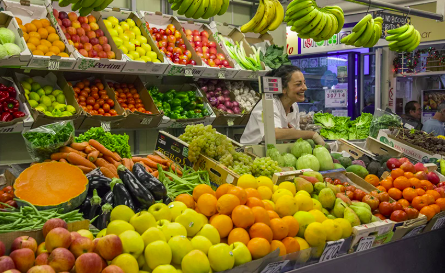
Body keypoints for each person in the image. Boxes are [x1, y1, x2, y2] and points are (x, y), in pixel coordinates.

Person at [240, 65, 325, 145]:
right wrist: (312, 134)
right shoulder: (268, 104)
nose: (305, 87)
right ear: (283, 89)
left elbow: (294, 134)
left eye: (304, 83)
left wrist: (293, 133)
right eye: (298, 84)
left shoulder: (294, 106)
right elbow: (274, 133)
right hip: (251, 153)